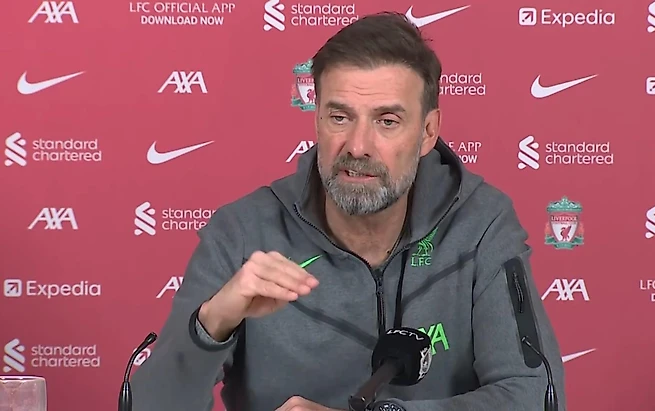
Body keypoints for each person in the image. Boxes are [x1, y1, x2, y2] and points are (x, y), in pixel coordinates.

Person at [130, 11, 566, 411]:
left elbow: (536, 396)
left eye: (387, 121)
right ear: (317, 119)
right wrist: (213, 323)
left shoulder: (481, 224)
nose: (357, 147)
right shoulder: (243, 233)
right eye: (340, 118)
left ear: (428, 131)